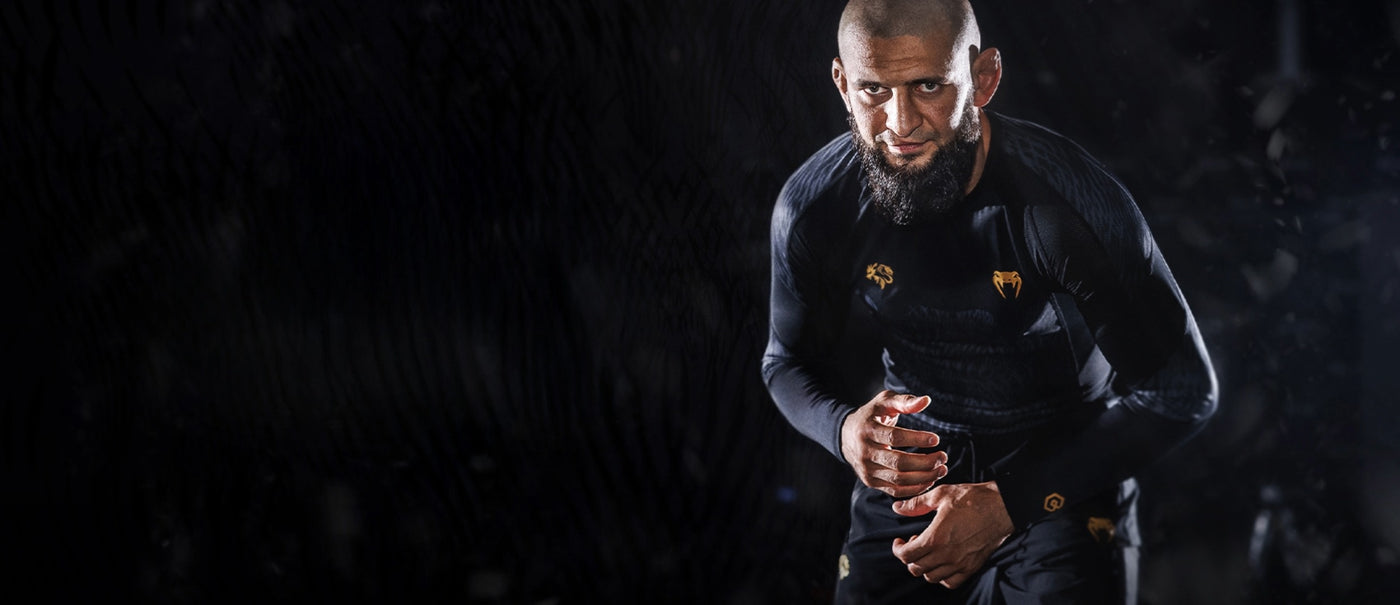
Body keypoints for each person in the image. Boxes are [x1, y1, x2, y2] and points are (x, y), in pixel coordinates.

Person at [761, 0, 1219, 602]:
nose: (900, 123)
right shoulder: (814, 205)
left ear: (984, 78)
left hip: (1063, 467)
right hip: (914, 469)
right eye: (874, 90)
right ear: (843, 86)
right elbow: (784, 363)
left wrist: (1014, 501)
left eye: (928, 86)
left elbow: (1183, 391)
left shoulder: (1067, 207)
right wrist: (843, 430)